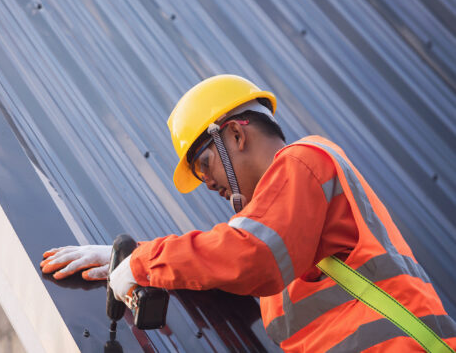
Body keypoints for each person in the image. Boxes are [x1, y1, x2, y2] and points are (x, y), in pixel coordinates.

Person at [39, 75, 456, 351]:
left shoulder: (305, 160)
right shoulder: (285, 237)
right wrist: (128, 257)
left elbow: (246, 254)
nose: (209, 185)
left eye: (204, 166)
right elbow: (223, 262)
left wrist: (144, 262)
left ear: (235, 134)